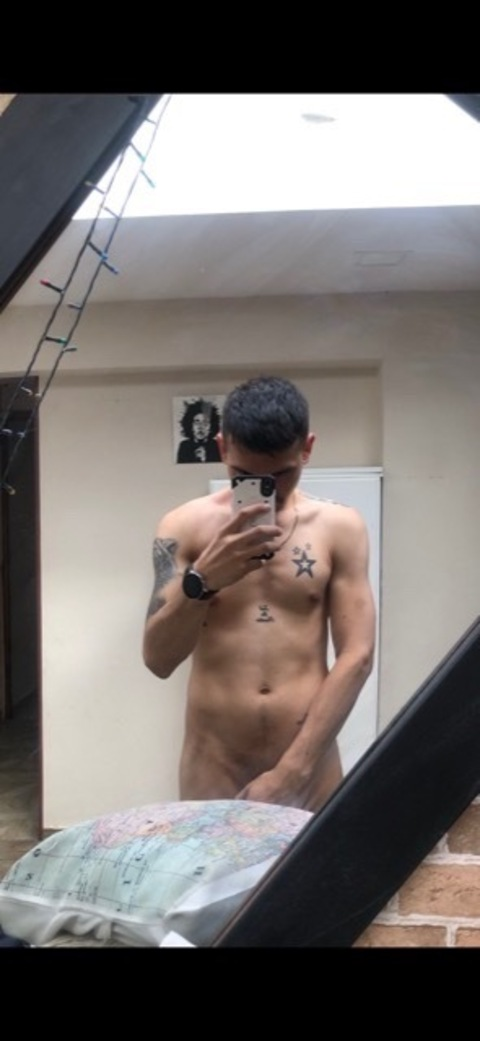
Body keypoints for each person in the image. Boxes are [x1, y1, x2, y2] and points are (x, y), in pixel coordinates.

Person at [144, 375, 376, 813]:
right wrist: (202, 581)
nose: (266, 489)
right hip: (213, 765)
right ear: (222, 448)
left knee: (319, 863)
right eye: (245, 476)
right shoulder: (183, 527)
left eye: (281, 474)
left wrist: (293, 771)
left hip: (309, 768)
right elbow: (158, 659)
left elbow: (357, 656)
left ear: (307, 448)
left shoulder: (340, 527)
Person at [176, 398, 222, 463]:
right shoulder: (184, 446)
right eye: (197, 422)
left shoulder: (217, 446)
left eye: (205, 422)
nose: (200, 427)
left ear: (211, 426)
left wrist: (204, 459)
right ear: (190, 425)